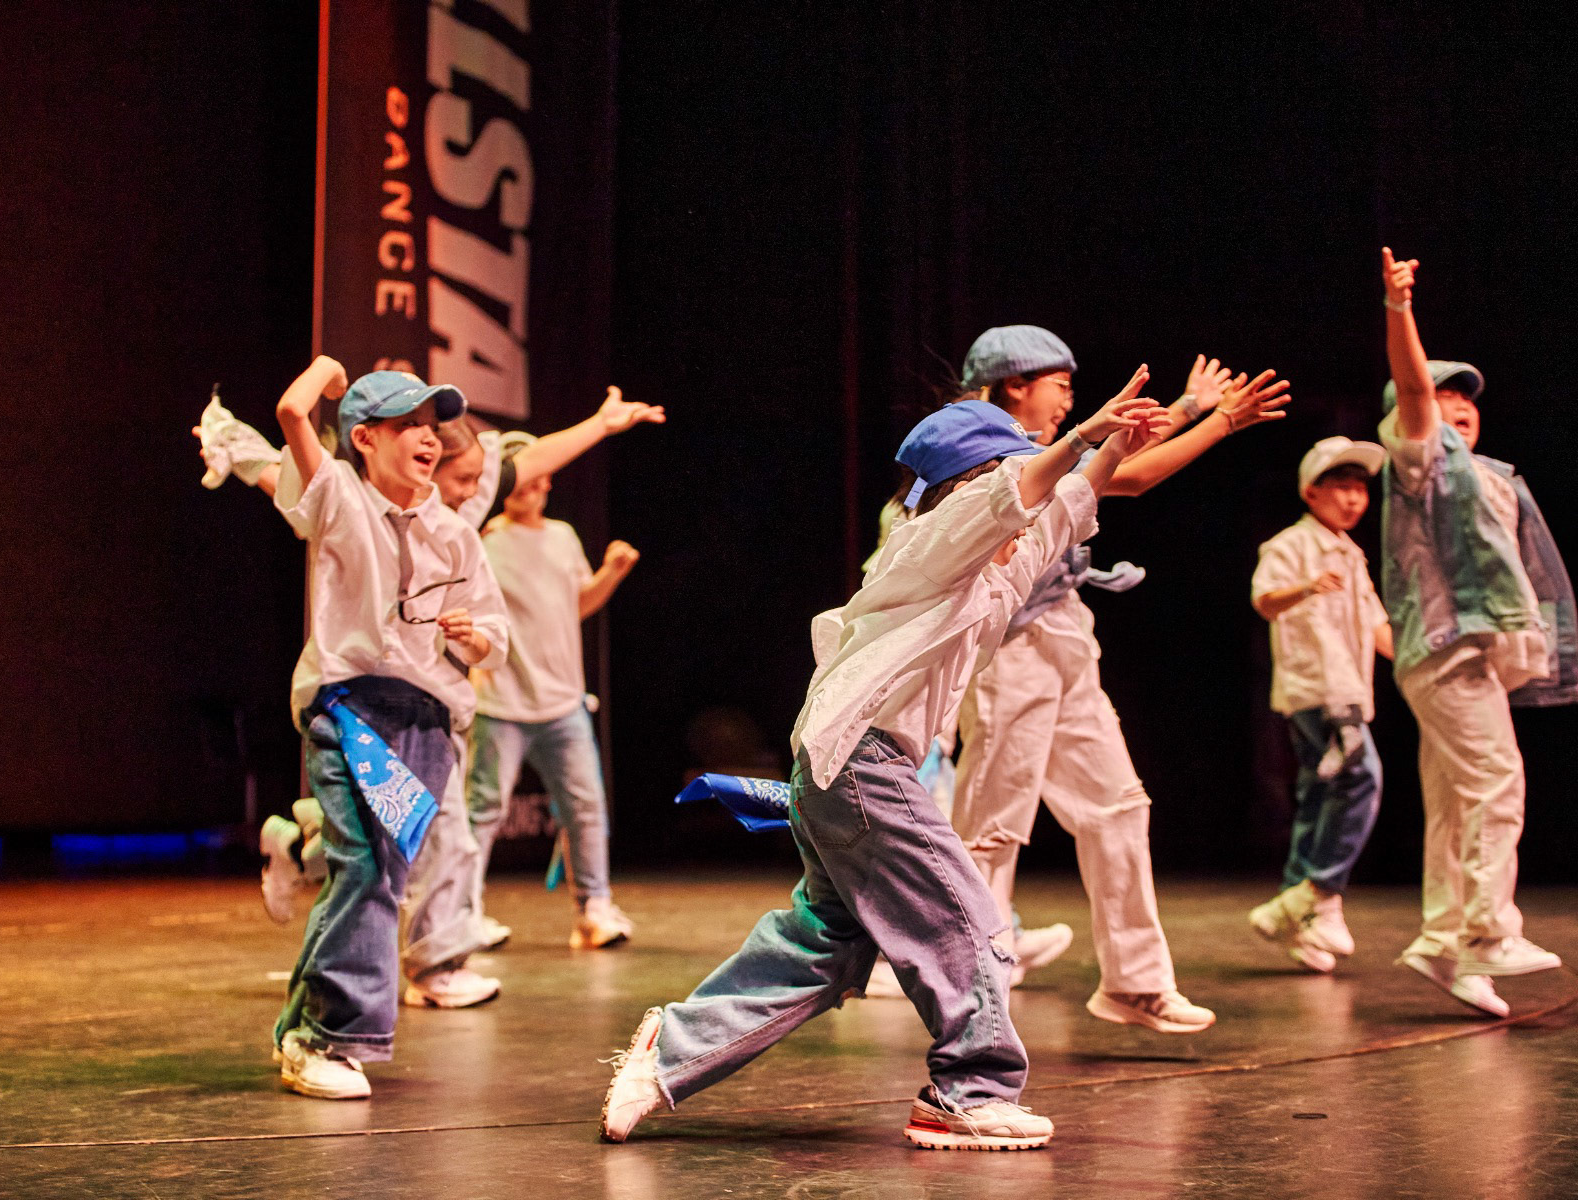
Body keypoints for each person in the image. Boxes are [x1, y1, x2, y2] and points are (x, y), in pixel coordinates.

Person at [600, 379, 1169, 1151]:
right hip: (860, 759)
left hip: (840, 765)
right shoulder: (924, 541)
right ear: (971, 485)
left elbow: (1059, 509)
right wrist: (1079, 438)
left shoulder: (992, 569)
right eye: (1012, 476)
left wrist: (1110, 452)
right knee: (967, 917)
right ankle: (970, 1091)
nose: (1030, 505)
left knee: (826, 946)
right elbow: (1010, 497)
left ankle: (670, 1052)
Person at [198, 386, 663, 966]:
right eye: (463, 480)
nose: (475, 492)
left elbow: (532, 462)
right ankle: (427, 957)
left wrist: (600, 424)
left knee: (405, 833)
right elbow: (284, 474)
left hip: (427, 699)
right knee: (415, 835)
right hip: (368, 696)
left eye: (478, 481)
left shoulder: (457, 522)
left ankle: (314, 857)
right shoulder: (363, 507)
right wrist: (233, 442)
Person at [946, 327, 1289, 1034]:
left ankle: (1134, 983)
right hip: (1010, 651)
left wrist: (1191, 409)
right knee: (991, 827)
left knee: (1117, 807)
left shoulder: (1040, 447)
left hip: (1064, 638)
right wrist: (1219, 421)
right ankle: (972, 992)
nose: (1069, 399)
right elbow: (1123, 474)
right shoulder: (984, 444)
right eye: (1060, 384)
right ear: (1015, 385)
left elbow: (1117, 456)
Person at [268, 358, 509, 1098]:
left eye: (432, 426)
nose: (428, 438)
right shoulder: (338, 496)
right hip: (351, 707)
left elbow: (495, 635)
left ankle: (300, 1029)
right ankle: (331, 1037)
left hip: (428, 721)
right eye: (408, 425)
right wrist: (326, 372)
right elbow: (291, 413)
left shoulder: (455, 534)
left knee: (378, 874)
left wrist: (473, 637)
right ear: (365, 439)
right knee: (368, 869)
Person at [1378, 248, 1578, 1018]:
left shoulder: (1490, 475)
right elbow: (1412, 390)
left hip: (1473, 654)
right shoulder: (1422, 461)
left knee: (1458, 802)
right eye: (1442, 397)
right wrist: (1400, 310)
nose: (1455, 407)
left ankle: (1443, 942)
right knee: (1497, 781)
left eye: (1466, 400)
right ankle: (1489, 930)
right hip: (1446, 649)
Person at [467, 431, 642, 949]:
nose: (535, 484)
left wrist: (611, 573)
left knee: (585, 806)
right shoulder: (483, 542)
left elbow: (577, 604)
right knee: (482, 812)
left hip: (564, 702)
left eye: (541, 475)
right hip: (500, 703)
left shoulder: (563, 536)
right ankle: (460, 913)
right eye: (524, 475)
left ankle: (593, 910)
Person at [1249, 437, 1394, 972]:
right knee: (1360, 777)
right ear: (1312, 492)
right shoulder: (1290, 545)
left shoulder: (1352, 554)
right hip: (1319, 691)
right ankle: (1321, 894)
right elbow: (1265, 600)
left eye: (1360, 490)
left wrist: (1425, 662)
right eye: (1342, 488)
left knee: (1321, 793)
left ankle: (1298, 913)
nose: (1354, 499)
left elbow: (1378, 625)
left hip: (1348, 691)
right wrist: (1307, 588)